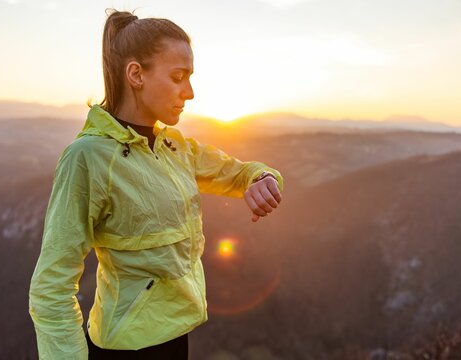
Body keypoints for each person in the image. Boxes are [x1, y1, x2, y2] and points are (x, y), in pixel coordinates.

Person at [28, 9, 284, 360]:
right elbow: (51, 287)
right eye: (178, 77)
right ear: (136, 74)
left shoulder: (175, 147)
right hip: (124, 347)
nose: (189, 92)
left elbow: (241, 172)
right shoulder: (87, 158)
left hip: (176, 335)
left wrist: (263, 179)